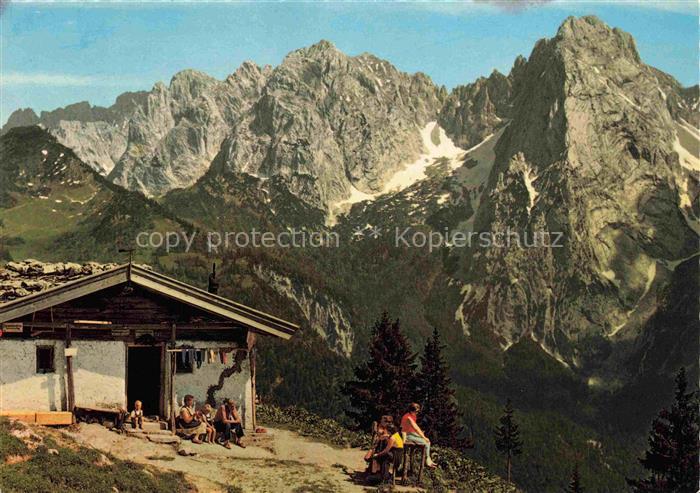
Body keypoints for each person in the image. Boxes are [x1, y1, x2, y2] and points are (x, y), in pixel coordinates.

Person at [401, 403, 436, 468]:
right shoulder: (408, 417)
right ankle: (427, 460)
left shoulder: (411, 415)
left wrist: (422, 436)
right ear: (412, 411)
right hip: (407, 436)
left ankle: (428, 459)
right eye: (416, 411)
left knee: (427, 441)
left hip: (410, 433)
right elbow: (416, 428)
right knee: (426, 442)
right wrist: (424, 437)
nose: (417, 413)